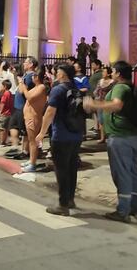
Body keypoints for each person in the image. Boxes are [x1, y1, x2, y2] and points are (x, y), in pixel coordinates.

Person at [84, 61, 137, 223]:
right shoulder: (132, 87)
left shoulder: (119, 87)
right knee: (132, 171)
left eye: (113, 71)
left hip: (120, 136)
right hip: (134, 135)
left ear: (118, 73)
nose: (111, 73)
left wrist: (94, 104)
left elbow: (117, 105)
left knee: (122, 173)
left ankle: (123, 210)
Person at [38, 64, 83, 216]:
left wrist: (42, 132)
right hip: (76, 135)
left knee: (62, 170)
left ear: (63, 74)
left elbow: (50, 112)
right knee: (71, 168)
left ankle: (63, 205)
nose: (56, 74)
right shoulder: (76, 89)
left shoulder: (58, 90)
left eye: (58, 72)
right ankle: (70, 199)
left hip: (61, 135)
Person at [20, 65, 50, 173]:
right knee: (30, 140)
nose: (32, 77)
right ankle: (31, 160)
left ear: (37, 77)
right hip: (29, 116)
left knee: (33, 142)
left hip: (34, 117)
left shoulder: (41, 87)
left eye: (34, 75)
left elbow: (29, 97)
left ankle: (33, 163)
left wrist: (24, 88)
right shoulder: (36, 87)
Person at [0, 79, 14, 146]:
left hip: (4, 113)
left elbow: (3, 103)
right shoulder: (10, 93)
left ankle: (1, 142)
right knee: (6, 128)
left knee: (1, 128)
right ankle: (5, 141)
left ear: (5, 86)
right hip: (9, 113)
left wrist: (0, 111)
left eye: (1, 86)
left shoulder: (5, 94)